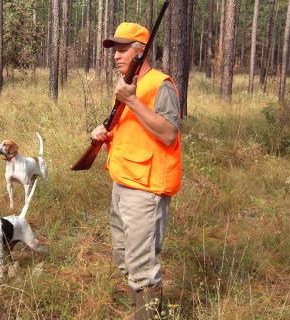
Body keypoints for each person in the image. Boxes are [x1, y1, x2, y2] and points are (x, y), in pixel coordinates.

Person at [91, 22, 181, 320]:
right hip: (122, 184)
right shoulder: (128, 86)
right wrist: (104, 133)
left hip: (146, 189)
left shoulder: (160, 84)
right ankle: (143, 311)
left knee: (142, 268)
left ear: (141, 53)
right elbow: (133, 131)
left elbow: (168, 133)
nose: (116, 56)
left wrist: (131, 100)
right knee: (124, 259)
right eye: (114, 51)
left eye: (122, 50)